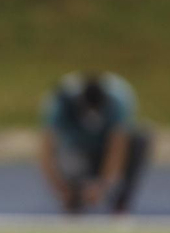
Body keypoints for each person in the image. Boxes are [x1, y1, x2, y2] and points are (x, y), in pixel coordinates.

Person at [39, 71, 152, 214]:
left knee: (140, 138)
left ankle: (120, 202)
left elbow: (118, 147)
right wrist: (60, 188)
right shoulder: (60, 100)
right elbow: (46, 150)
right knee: (71, 167)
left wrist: (103, 186)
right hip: (76, 150)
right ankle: (74, 199)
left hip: (104, 149)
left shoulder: (118, 99)